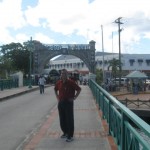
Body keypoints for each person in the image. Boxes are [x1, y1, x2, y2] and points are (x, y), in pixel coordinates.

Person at [54, 69, 81, 142]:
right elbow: (55, 89)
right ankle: (65, 132)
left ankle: (70, 135)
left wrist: (74, 97)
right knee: (62, 119)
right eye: (62, 73)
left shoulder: (71, 82)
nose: (63, 75)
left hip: (68, 102)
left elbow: (79, 89)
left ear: (67, 75)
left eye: (65, 73)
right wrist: (57, 97)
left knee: (69, 119)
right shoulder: (59, 82)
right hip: (61, 102)